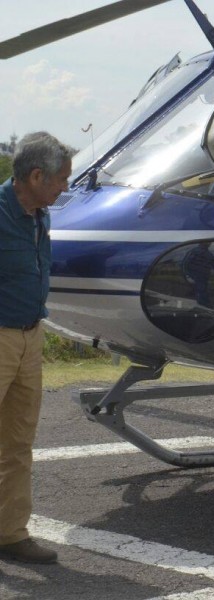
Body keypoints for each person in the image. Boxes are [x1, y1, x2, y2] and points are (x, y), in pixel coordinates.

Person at [0, 132, 71, 565]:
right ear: (36, 174)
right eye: (60, 179)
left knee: (18, 442)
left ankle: (9, 533)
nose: (65, 187)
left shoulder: (38, 213)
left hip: (30, 336)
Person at [182, 241, 214, 307]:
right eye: (207, 242)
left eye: (210, 242)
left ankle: (205, 306)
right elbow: (185, 264)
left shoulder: (209, 254)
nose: (210, 243)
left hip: (204, 278)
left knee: (203, 291)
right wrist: (187, 276)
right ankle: (204, 307)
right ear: (201, 242)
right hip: (195, 277)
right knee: (201, 292)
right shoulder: (194, 252)